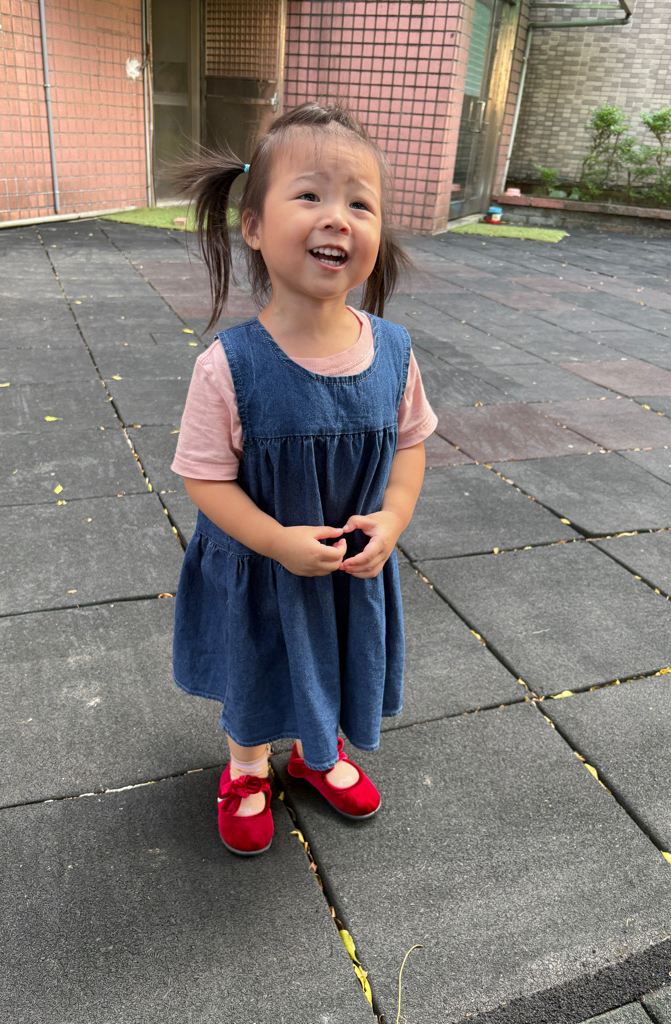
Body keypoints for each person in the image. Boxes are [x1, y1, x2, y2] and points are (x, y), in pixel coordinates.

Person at [171, 103, 437, 855]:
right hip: (263, 563)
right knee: (257, 666)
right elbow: (205, 480)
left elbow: (411, 446)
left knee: (337, 657)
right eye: (311, 195)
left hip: (347, 564)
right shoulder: (228, 366)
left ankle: (319, 754)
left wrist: (394, 518)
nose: (337, 218)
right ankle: (247, 767)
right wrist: (275, 542)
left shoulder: (394, 351)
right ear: (254, 225)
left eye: (361, 203)